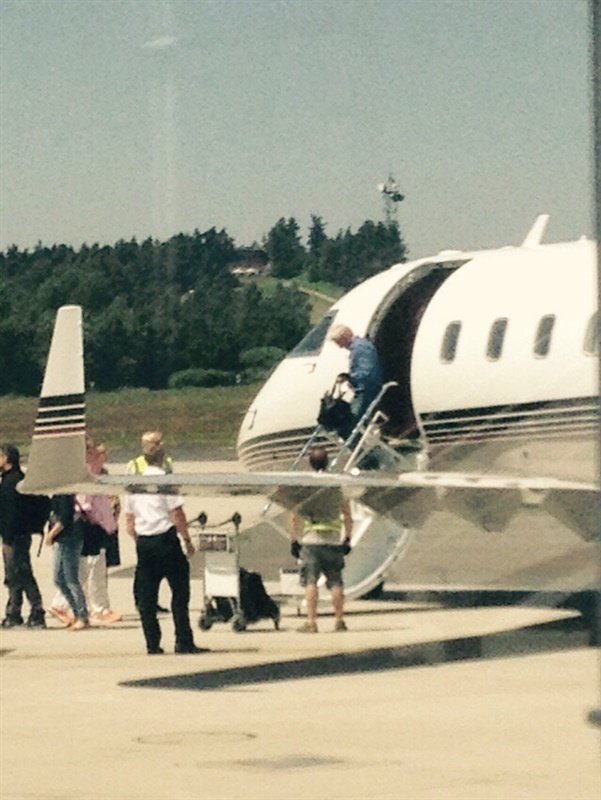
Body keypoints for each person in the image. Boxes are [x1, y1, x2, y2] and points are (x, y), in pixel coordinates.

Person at [123, 445, 204, 655]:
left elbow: (129, 522)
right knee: (179, 593)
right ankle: (183, 640)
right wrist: (186, 539)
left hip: (145, 543)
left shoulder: (134, 484)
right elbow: (177, 514)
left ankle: (152, 642)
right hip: (166, 540)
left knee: (147, 597)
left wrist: (140, 539)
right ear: (162, 458)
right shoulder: (165, 481)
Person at [48, 438, 122, 626]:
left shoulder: (94, 473)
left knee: (83, 568)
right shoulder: (87, 474)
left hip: (97, 525)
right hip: (91, 526)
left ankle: (63, 603)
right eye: (96, 453)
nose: (102, 456)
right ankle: (97, 608)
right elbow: (83, 504)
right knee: (91, 566)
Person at [289, 446, 352, 633]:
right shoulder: (336, 486)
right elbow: (347, 514)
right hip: (333, 540)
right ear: (327, 462)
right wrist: (347, 538)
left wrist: (294, 539)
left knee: (310, 581)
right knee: (336, 582)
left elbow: (295, 514)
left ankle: (311, 621)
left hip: (311, 541)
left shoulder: (306, 487)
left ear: (310, 463)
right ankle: (339, 620)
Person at [0, 444, 46, 628]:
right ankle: (13, 612)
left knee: (22, 574)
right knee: (14, 575)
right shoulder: (15, 480)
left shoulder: (12, 483)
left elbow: (12, 514)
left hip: (15, 537)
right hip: (17, 535)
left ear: (6, 458)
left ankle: (37, 611)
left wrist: (8, 538)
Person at [328, 324, 383, 437]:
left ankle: (366, 452)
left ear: (345, 337)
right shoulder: (360, 347)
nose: (339, 346)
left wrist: (349, 377)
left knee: (347, 425)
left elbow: (367, 372)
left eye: (339, 342)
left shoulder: (361, 348)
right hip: (362, 390)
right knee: (346, 423)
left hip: (366, 392)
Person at [45, 494, 90, 631]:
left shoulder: (64, 495)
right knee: (58, 579)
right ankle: (77, 613)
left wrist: (50, 535)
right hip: (61, 541)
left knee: (71, 579)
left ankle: (82, 616)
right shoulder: (55, 495)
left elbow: (65, 519)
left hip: (69, 540)